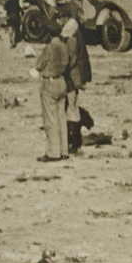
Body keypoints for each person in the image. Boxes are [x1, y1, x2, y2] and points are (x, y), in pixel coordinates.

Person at [31, 18, 76, 161]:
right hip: (61, 81)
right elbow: (66, 64)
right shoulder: (64, 47)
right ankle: (64, 151)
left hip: (49, 83)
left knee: (50, 119)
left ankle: (53, 152)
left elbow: (39, 65)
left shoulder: (49, 48)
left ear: (48, 34)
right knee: (61, 116)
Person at [63, 11, 92, 153]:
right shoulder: (77, 33)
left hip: (72, 78)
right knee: (73, 106)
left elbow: (72, 60)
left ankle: (73, 141)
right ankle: (74, 140)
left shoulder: (71, 38)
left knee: (71, 108)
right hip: (77, 77)